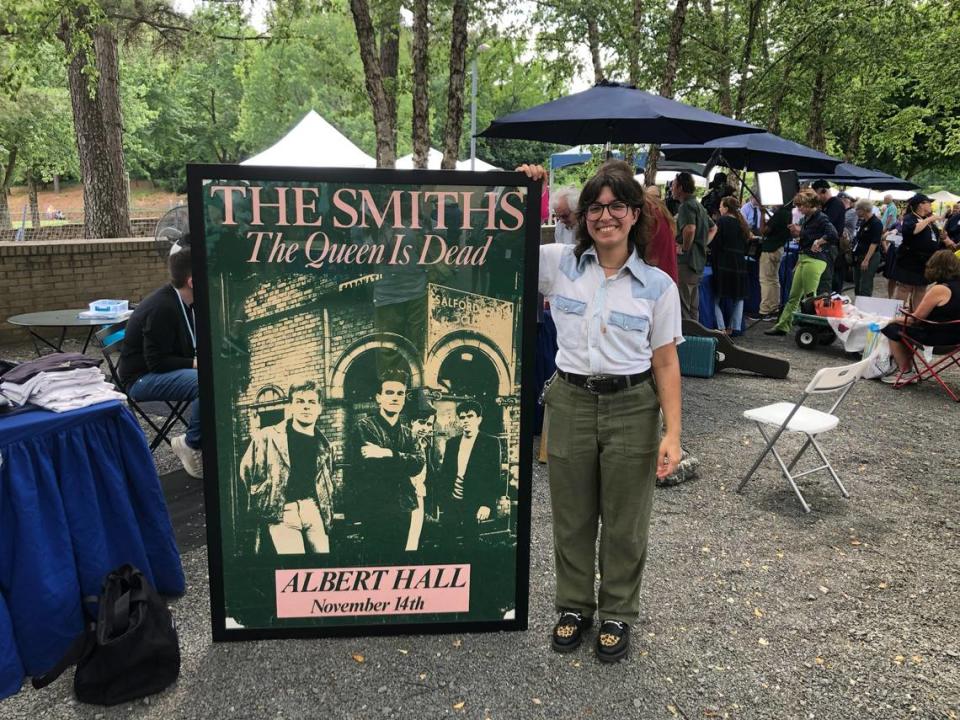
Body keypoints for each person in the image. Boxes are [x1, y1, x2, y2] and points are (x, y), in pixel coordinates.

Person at [517, 159, 682, 664]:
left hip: (633, 405)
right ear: (583, 215)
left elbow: (667, 363)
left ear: (635, 214)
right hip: (569, 399)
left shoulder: (658, 287)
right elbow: (503, 238)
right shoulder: (558, 264)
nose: (603, 215)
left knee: (626, 519)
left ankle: (616, 612)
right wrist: (525, 193)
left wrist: (672, 433)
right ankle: (573, 607)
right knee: (571, 515)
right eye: (594, 206)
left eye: (615, 207)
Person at [118, 240, 202, 478]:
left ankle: (208, 440)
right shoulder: (162, 308)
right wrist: (195, 363)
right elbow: (157, 362)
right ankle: (191, 443)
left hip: (157, 371)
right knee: (204, 382)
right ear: (192, 282)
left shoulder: (182, 301)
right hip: (141, 379)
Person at [240, 381, 335, 555]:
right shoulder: (268, 436)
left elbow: (327, 476)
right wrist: (265, 498)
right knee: (294, 563)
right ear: (290, 406)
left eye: (311, 402)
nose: (306, 407)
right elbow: (247, 471)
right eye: (300, 401)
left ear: (320, 408)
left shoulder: (324, 444)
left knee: (323, 561)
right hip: (283, 511)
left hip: (313, 508)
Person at [345, 369, 425, 551]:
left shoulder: (408, 433)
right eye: (389, 392)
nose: (395, 398)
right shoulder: (365, 426)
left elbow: (418, 463)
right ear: (378, 397)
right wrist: (403, 461)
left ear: (404, 398)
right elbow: (374, 467)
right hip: (375, 507)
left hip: (403, 507)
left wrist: (387, 453)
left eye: (400, 393)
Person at [765, 189, 837, 336]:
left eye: (801, 206)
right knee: (794, 296)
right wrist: (799, 234)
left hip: (815, 260)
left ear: (810, 204)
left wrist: (818, 241)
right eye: (798, 206)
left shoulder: (821, 217)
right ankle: (783, 326)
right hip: (804, 258)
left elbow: (833, 234)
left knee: (810, 297)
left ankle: (813, 329)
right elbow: (809, 236)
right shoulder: (808, 218)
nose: (799, 209)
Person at [881, 249, 960, 384]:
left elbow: (915, 319)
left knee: (892, 327)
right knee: (905, 329)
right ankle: (907, 368)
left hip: (938, 339)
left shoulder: (940, 289)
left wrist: (891, 319)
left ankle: (906, 371)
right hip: (956, 338)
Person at [437, 400, 502, 547]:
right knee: (446, 544)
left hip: (474, 503)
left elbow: (494, 476)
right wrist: (444, 500)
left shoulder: (491, 442)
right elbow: (446, 473)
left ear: (479, 419)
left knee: (471, 543)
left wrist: (487, 504)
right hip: (451, 503)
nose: (465, 420)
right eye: (462, 417)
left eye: (470, 416)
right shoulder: (452, 443)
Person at [673, 172, 717, 321]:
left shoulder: (686, 206)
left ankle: (687, 340)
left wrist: (685, 248)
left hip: (686, 262)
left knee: (684, 306)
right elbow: (713, 228)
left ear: (680, 187)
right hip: (697, 261)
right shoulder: (699, 206)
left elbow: (690, 228)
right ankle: (695, 339)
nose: (671, 188)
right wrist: (702, 243)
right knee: (693, 307)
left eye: (673, 185)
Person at [893, 193, 944, 310]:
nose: (931, 204)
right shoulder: (910, 218)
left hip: (926, 261)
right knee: (905, 287)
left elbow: (933, 237)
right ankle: (896, 313)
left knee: (921, 288)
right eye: (928, 202)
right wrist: (931, 219)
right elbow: (913, 230)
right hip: (911, 259)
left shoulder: (927, 220)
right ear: (920, 205)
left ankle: (916, 316)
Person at [406, 399, 443, 552]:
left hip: (420, 498)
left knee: (415, 540)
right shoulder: (402, 442)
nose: (425, 428)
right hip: (403, 501)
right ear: (412, 421)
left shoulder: (426, 445)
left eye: (429, 424)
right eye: (422, 422)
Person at [711, 196, 750, 334]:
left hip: (724, 264)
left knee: (716, 297)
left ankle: (721, 327)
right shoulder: (742, 223)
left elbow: (716, 243)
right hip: (739, 263)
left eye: (721, 206)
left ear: (726, 208)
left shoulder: (722, 221)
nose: (720, 209)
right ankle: (733, 327)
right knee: (738, 297)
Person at [758, 201, 792, 320]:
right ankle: (774, 308)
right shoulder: (788, 214)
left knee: (766, 280)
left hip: (770, 249)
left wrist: (762, 214)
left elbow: (763, 230)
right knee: (773, 280)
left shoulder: (779, 214)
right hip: (778, 248)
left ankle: (765, 310)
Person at [811, 180, 846, 294]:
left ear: (823, 191)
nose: (815, 198)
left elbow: (826, 224)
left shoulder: (835, 203)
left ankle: (826, 304)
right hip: (824, 245)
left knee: (826, 278)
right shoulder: (826, 205)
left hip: (830, 246)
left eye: (816, 194)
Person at [644, 186, 679, 283]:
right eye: (650, 196)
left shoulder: (651, 214)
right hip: (667, 276)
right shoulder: (665, 215)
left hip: (658, 278)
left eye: (655, 196)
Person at [851, 199, 883, 296]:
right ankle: (858, 304)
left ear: (864, 209)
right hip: (859, 255)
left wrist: (866, 259)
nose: (856, 211)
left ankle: (864, 307)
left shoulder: (876, 223)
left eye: (857, 209)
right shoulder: (863, 221)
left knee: (865, 284)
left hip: (870, 256)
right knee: (857, 283)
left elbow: (874, 243)